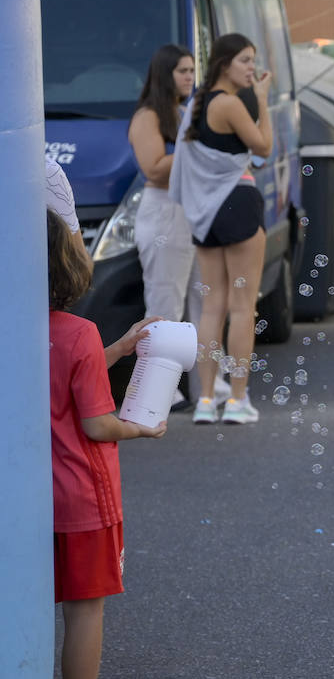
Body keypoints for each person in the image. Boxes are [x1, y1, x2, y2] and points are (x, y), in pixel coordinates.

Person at [46, 207, 166, 679]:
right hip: (80, 501)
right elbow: (97, 424)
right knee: (84, 611)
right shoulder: (77, 334)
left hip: (24, 500)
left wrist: (112, 350)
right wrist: (143, 428)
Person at [169, 33, 272, 426]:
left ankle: (207, 400)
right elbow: (263, 147)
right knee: (243, 307)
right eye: (245, 60)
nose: (251, 67)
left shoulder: (197, 103)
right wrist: (262, 99)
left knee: (212, 307)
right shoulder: (229, 103)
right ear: (224, 63)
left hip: (205, 215)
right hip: (238, 204)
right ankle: (238, 400)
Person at [128, 44, 230, 409]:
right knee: (164, 303)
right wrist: (195, 148)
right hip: (163, 214)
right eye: (182, 71)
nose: (190, 77)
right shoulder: (147, 116)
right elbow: (153, 168)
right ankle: (159, 391)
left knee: (204, 300)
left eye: (192, 70)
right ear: (164, 74)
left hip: (191, 213)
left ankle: (210, 387)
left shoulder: (183, 112)